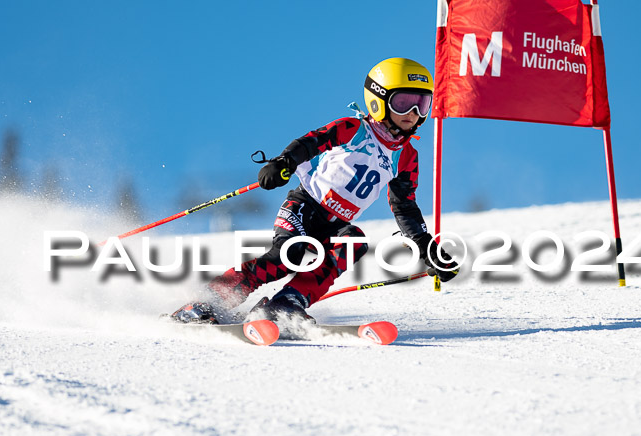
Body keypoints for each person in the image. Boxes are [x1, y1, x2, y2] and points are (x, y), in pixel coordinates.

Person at [173, 57, 459, 324]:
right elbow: (312, 142)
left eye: (421, 104)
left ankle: (287, 303)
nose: (412, 113)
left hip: (336, 224)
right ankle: (206, 303)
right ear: (378, 100)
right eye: (403, 102)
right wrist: (284, 162)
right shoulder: (354, 129)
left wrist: (426, 247)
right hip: (304, 206)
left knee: (353, 242)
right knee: (287, 256)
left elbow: (405, 206)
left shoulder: (407, 157)